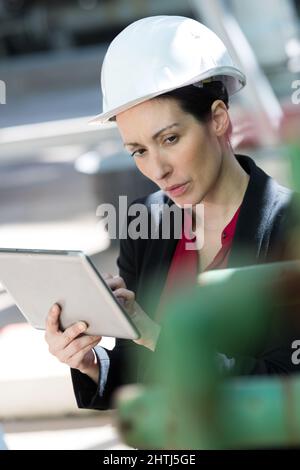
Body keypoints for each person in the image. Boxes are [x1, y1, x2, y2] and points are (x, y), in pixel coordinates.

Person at [45, 16, 300, 410]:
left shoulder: (289, 226)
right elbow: (137, 369)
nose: (158, 169)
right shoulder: (147, 222)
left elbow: (285, 384)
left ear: (218, 118)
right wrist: (91, 360)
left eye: (170, 138)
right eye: (139, 151)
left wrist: (157, 335)